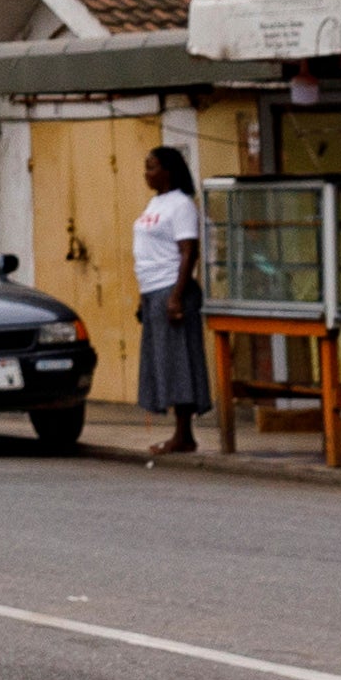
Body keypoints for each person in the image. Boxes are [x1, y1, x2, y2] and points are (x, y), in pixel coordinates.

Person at [135, 141, 211, 455]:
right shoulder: (155, 204)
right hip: (152, 290)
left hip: (172, 289)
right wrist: (142, 298)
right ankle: (179, 433)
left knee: (179, 362)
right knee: (162, 362)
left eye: (151, 167)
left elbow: (188, 251)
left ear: (168, 171)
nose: (146, 173)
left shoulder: (181, 205)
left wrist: (176, 296)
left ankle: (184, 435)